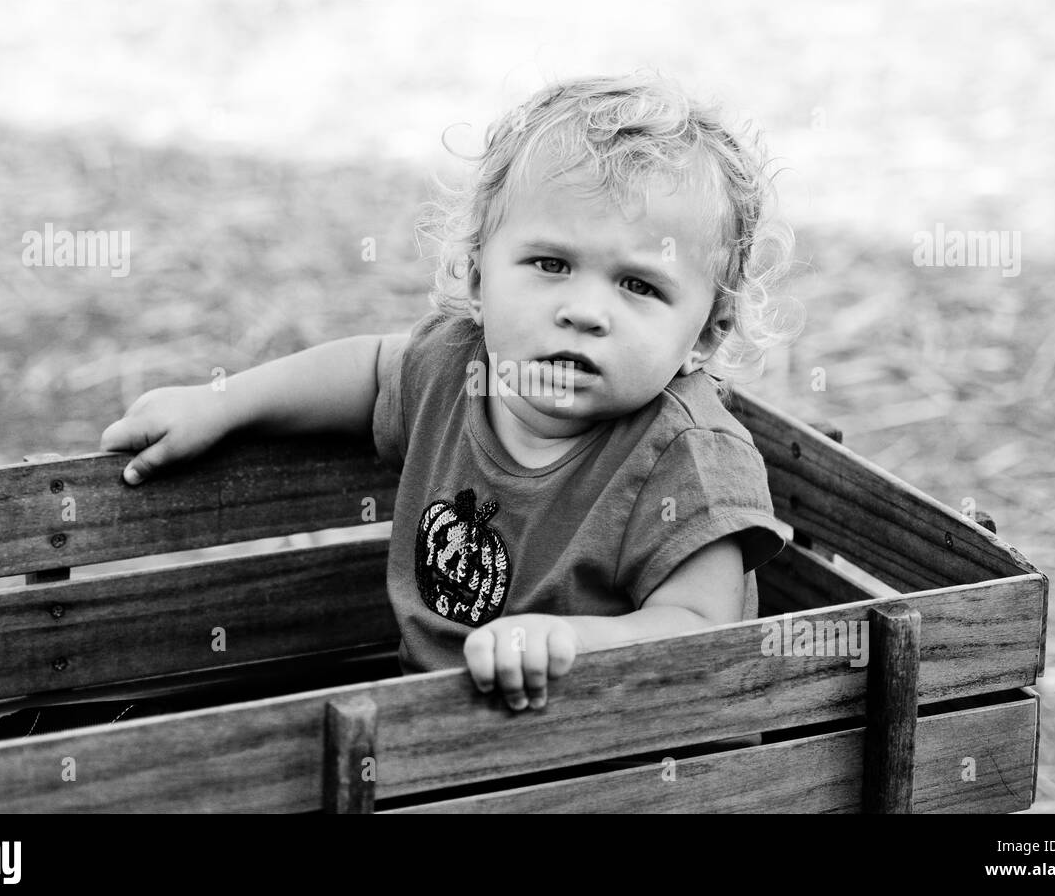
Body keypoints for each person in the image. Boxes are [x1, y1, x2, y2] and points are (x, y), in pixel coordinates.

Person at [100, 70, 799, 714]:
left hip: (616, 759)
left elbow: (703, 627)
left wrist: (566, 641)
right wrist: (220, 403)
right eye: (550, 263)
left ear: (705, 335)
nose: (586, 310)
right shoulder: (452, 369)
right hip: (438, 736)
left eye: (639, 285)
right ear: (474, 278)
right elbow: (371, 370)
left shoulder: (688, 458)